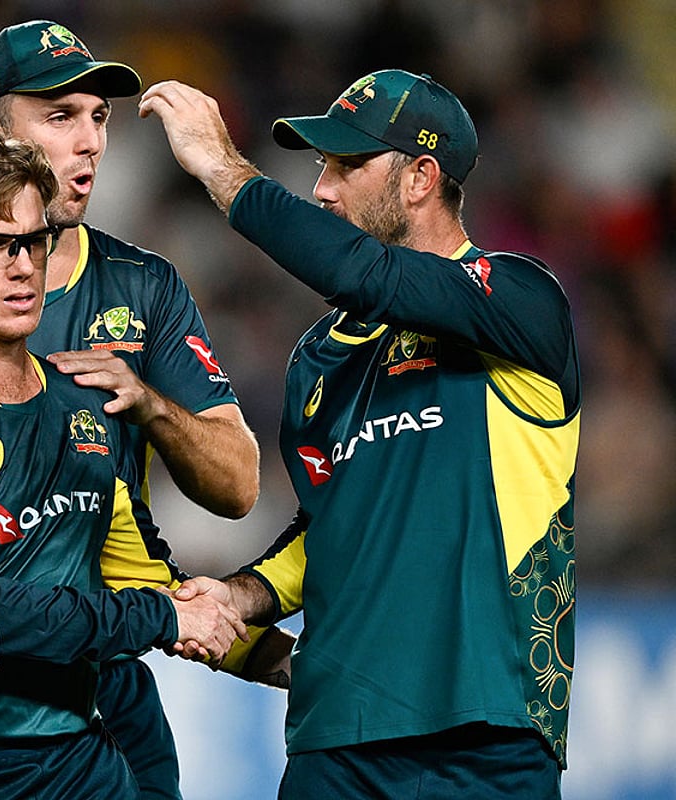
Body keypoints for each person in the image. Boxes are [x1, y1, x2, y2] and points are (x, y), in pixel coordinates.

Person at [0, 21, 288, 798]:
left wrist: (150, 406)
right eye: (60, 116)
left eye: (99, 118)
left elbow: (233, 490)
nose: (90, 142)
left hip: (106, 669)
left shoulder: (140, 286)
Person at [142, 71, 580, 798]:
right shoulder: (320, 357)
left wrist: (222, 168)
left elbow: (363, 274)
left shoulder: (521, 302)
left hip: (486, 732)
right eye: (321, 165)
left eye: (347, 164)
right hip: (335, 738)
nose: (322, 188)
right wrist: (240, 596)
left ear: (420, 178)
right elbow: (328, 528)